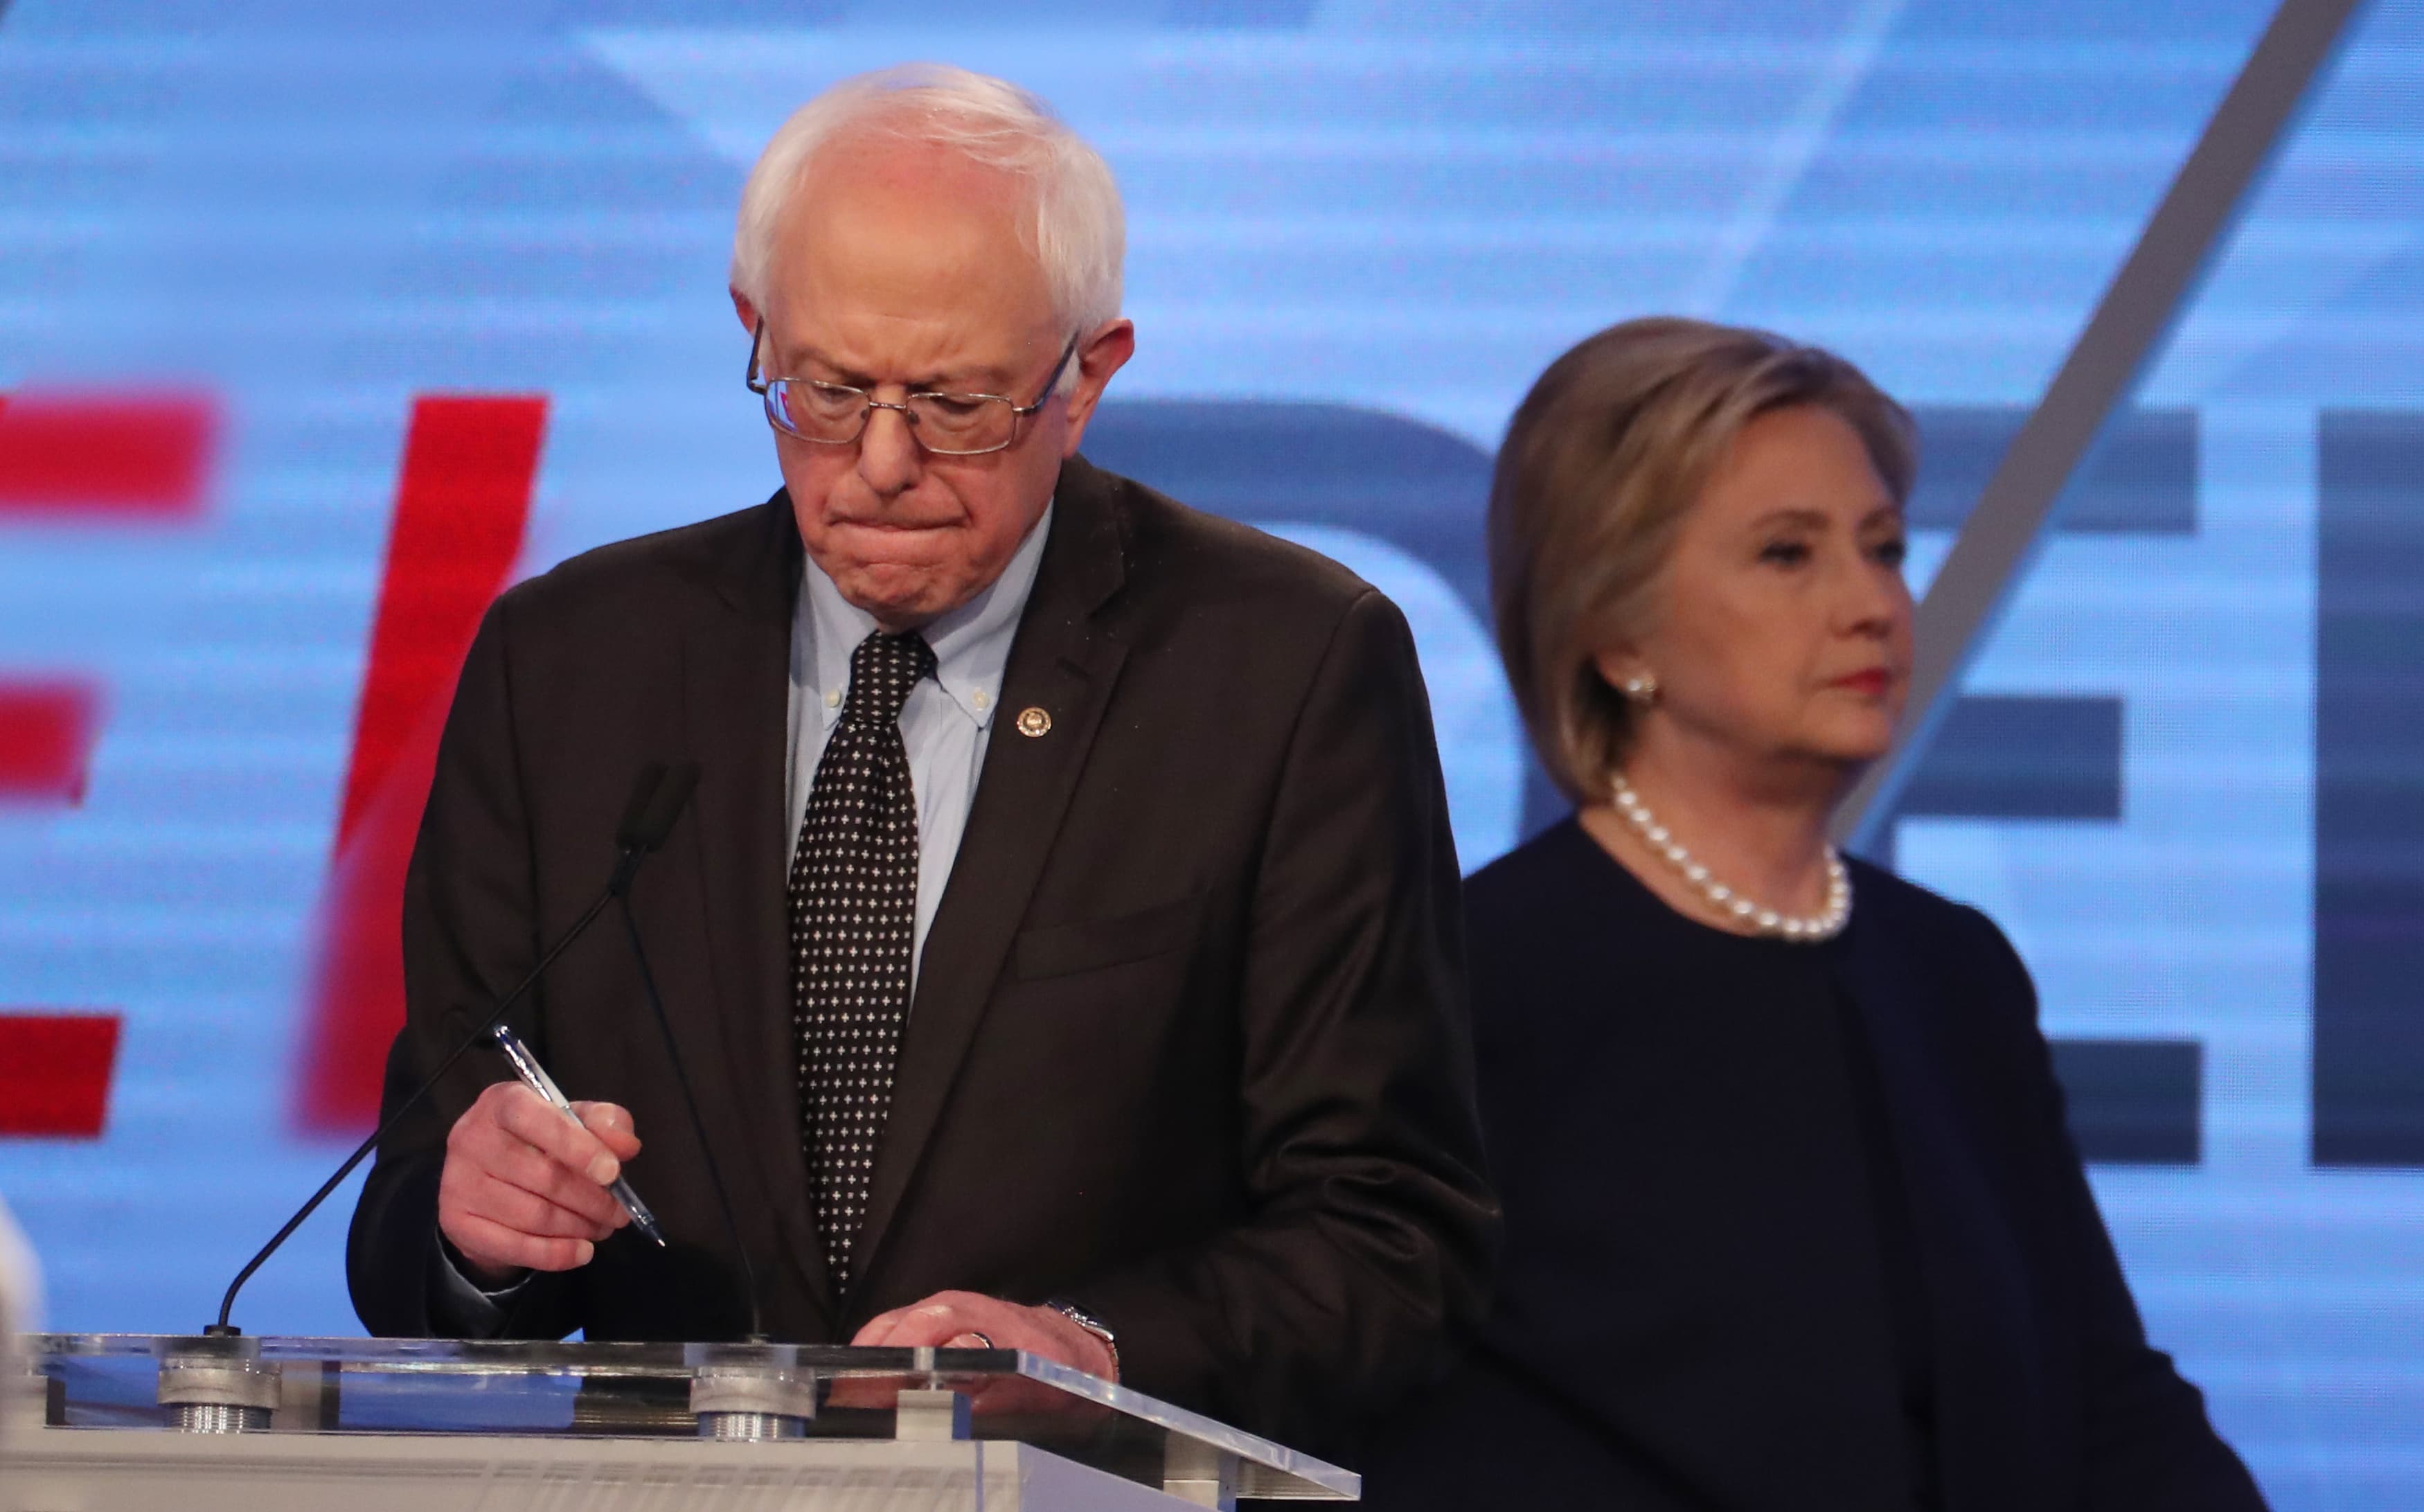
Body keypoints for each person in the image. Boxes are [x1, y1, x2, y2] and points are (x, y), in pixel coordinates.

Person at [346, 64, 1495, 1457]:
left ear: (1088, 377)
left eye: (957, 405)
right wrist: (485, 1239)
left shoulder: (1285, 672)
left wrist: (1095, 1354)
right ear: (754, 333)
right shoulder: (571, 668)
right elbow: (422, 1213)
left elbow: (1391, 1239)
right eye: (826, 392)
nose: (880, 463)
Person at [1360, 318, 2267, 1510]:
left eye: (1883, 548)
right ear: (1615, 629)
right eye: (1789, 556)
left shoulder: (1955, 973)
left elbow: (2103, 1396)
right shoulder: (1477, 979)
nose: (1873, 605)